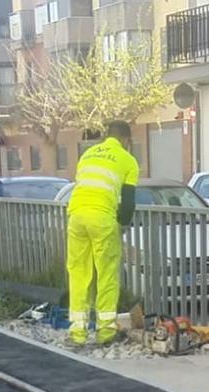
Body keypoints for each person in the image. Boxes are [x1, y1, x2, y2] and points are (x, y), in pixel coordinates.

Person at [66, 121, 139, 346]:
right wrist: (123, 225)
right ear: (126, 140)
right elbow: (127, 204)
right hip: (102, 219)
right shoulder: (128, 161)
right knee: (106, 275)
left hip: (76, 216)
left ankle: (77, 333)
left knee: (79, 274)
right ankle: (105, 332)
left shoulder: (88, 154)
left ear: (107, 136)